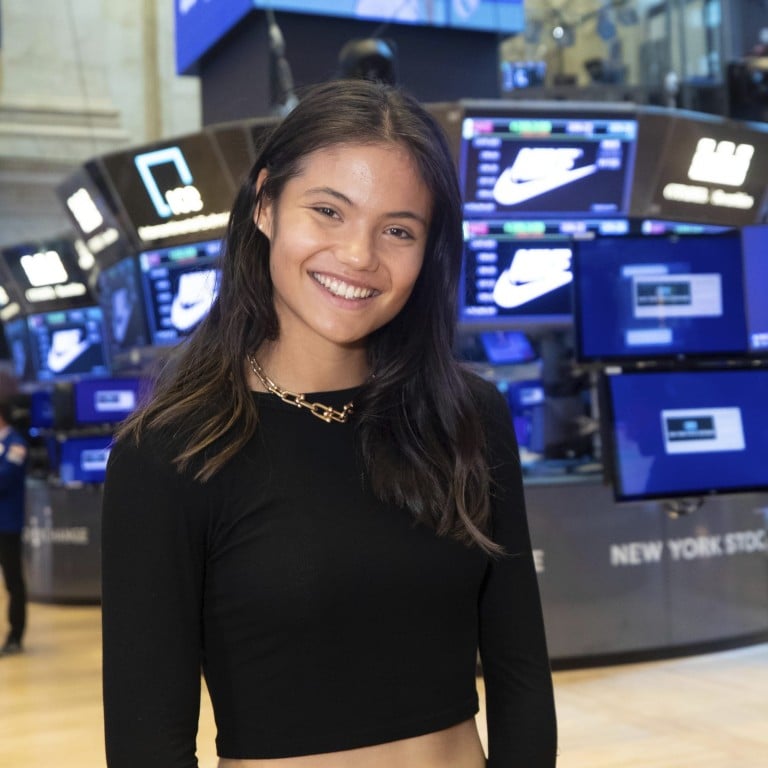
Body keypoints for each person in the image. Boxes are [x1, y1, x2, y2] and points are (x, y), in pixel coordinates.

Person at [101, 79, 557, 768]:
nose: (358, 256)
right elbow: (146, 742)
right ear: (264, 205)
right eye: (329, 212)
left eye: (398, 229)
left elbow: (520, 672)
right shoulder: (172, 451)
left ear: (428, 249)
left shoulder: (467, 416)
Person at [0, 398, 28, 657]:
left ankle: (15, 635)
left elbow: (5, 478)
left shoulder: (16, 443)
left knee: (13, 582)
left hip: (7, 525)